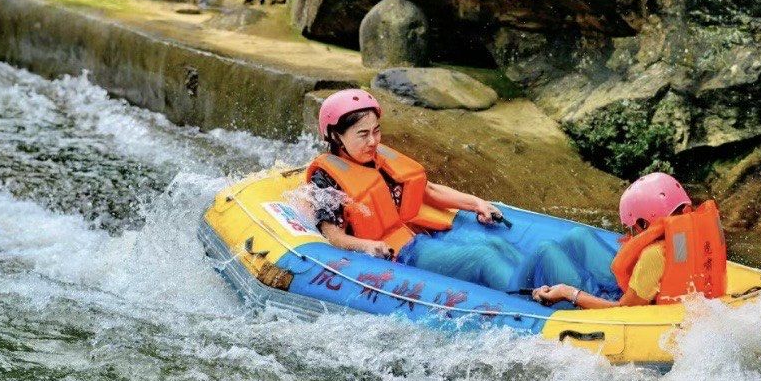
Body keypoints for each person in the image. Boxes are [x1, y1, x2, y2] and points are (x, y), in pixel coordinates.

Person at [306, 88, 501, 260]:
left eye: (376, 131)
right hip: (399, 253)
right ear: (335, 136)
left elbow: (428, 190)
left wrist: (476, 203)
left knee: (495, 245)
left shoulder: (379, 157)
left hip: (419, 233)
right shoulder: (325, 179)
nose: (373, 141)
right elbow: (333, 236)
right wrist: (367, 246)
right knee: (484, 257)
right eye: (363, 134)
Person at [532, 172, 727, 309]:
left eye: (633, 227)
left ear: (644, 222)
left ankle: (516, 292)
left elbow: (624, 310)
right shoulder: (698, 231)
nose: (633, 233)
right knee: (579, 236)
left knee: (546, 249)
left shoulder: (655, 255)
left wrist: (569, 293)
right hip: (654, 287)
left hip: (632, 301)